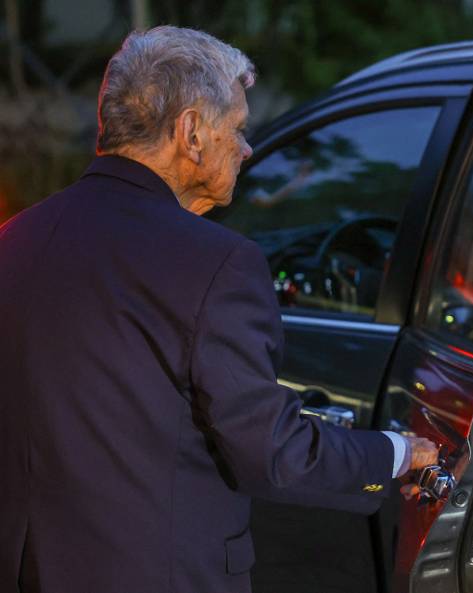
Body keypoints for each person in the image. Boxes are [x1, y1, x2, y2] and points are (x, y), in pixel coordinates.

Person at [0, 26, 437, 593]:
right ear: (191, 133)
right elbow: (271, 451)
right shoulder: (219, 262)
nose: (248, 148)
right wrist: (399, 451)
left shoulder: (17, 238)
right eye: (237, 128)